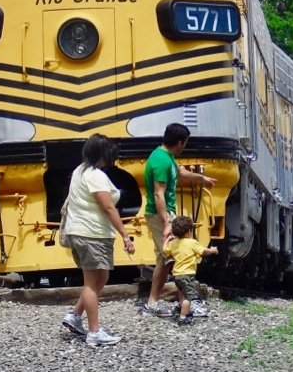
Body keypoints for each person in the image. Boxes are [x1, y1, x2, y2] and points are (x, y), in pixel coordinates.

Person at [60, 134, 136, 346]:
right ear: (104, 154)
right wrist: (125, 235)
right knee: (92, 284)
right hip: (91, 234)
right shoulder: (95, 175)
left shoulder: (79, 171)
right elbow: (108, 207)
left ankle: (74, 315)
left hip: (84, 232)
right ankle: (94, 333)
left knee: (100, 278)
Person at [140, 123, 216, 318]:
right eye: (185, 143)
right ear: (180, 142)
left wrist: (201, 178)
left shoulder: (167, 158)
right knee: (178, 257)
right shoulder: (161, 161)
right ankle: (183, 302)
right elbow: (158, 194)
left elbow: (179, 172)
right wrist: (167, 223)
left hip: (164, 214)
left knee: (167, 260)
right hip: (160, 215)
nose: (185, 146)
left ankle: (159, 302)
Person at [163, 215, 218, 325]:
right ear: (189, 231)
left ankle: (181, 309)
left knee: (182, 294)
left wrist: (167, 239)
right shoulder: (192, 242)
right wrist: (212, 250)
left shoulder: (174, 243)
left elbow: (165, 250)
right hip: (187, 275)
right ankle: (183, 317)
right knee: (189, 297)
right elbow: (203, 251)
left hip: (176, 274)